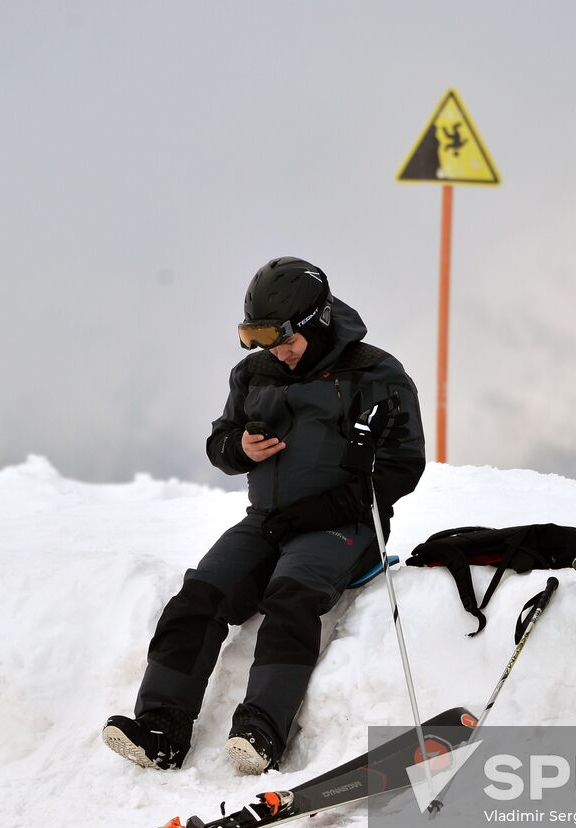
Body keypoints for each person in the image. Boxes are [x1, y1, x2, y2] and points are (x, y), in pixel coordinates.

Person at [103, 256, 426, 774]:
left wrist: (337, 491)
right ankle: (162, 727)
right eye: (265, 344)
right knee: (199, 593)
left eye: (286, 342)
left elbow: (403, 467)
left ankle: (261, 730)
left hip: (343, 523)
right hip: (269, 520)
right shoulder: (254, 372)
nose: (279, 354)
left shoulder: (376, 375)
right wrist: (240, 448)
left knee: (291, 598)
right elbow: (220, 440)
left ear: (316, 321)